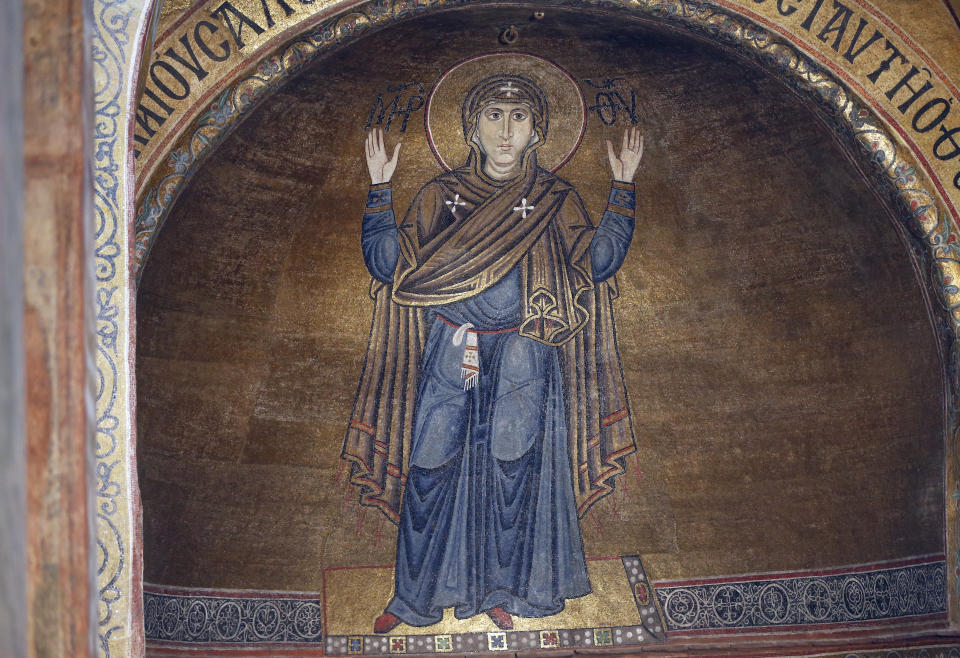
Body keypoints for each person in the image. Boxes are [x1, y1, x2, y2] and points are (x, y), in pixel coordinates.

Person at [342, 73, 643, 633]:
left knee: (512, 463)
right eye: (494, 117)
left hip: (525, 348)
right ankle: (414, 599)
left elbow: (595, 264)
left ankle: (502, 591)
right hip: (455, 345)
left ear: (538, 132)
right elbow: (390, 267)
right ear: (472, 129)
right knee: (430, 463)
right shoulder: (438, 195)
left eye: (520, 118)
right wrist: (380, 189)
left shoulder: (555, 200)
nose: (507, 131)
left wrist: (622, 190)